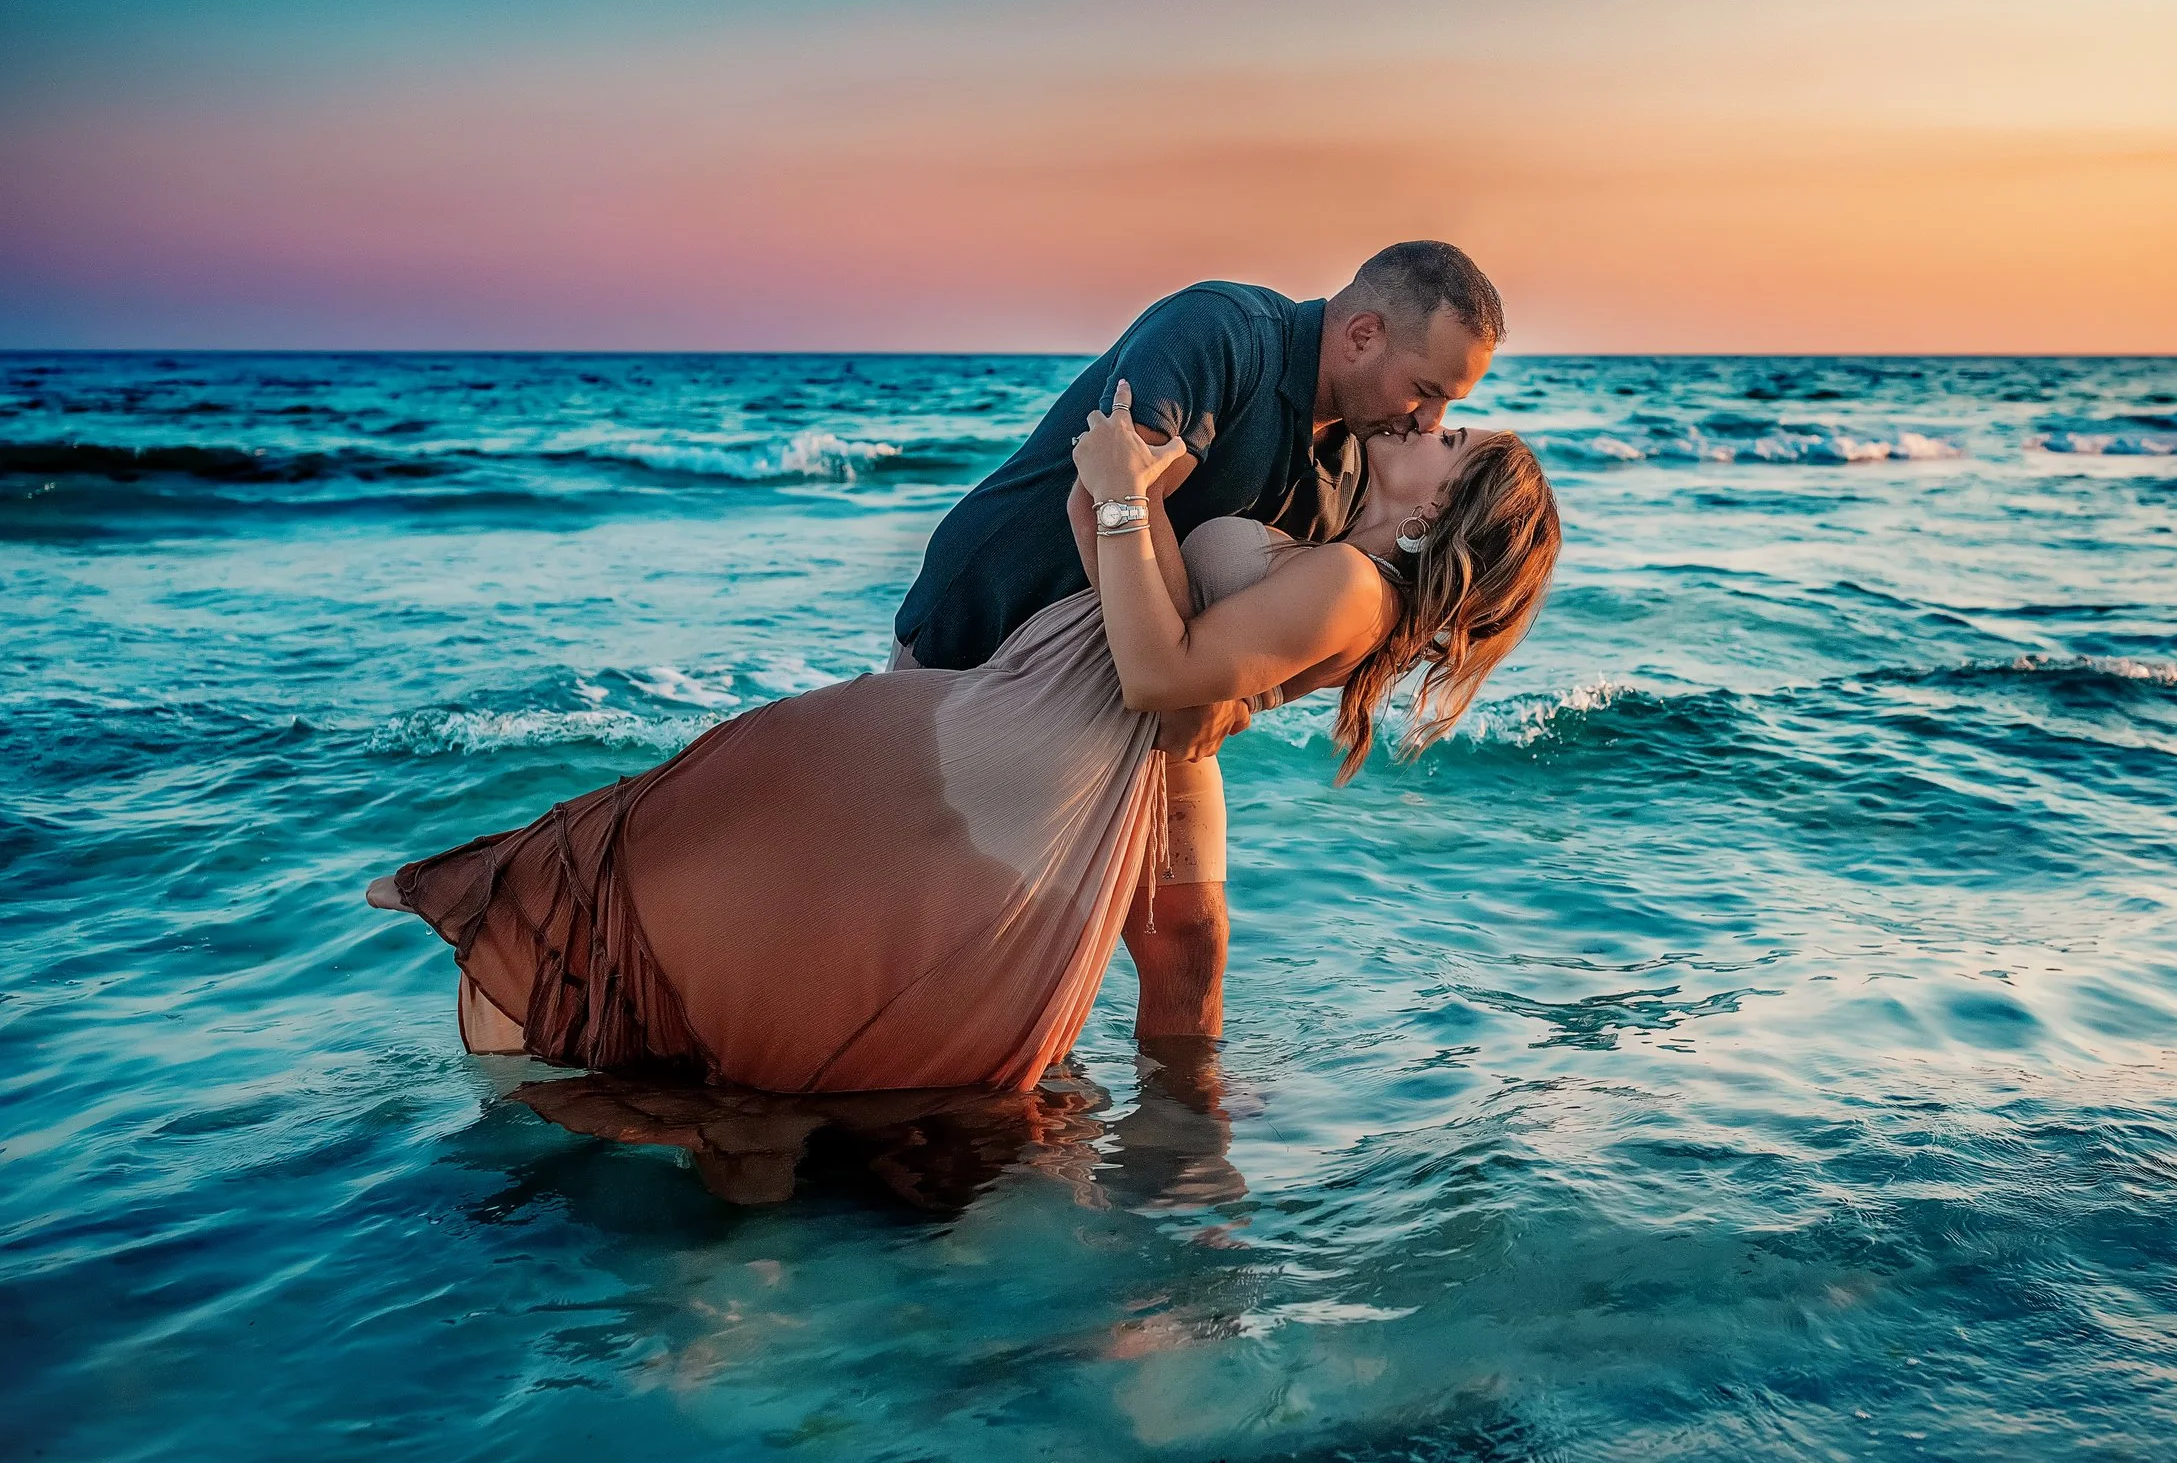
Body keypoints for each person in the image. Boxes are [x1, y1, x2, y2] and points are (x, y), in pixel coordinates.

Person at [366, 386, 1561, 1099]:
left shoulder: (1353, 584)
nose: (1428, 425)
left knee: (711, 825)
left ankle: (575, 975)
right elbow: (1175, 670)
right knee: (744, 833)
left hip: (1026, 735)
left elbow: (1154, 674)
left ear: (1438, 517)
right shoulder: (1335, 554)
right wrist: (1111, 499)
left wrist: (1126, 499)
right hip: (1023, 717)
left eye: (1453, 446)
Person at [892, 241, 1506, 1041]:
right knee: (965, 935)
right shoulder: (1222, 333)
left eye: (1448, 409)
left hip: (1132, 691)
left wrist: (1211, 684)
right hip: (980, 636)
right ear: (1362, 334)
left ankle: (1183, 1134)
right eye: (1426, 391)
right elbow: (1106, 499)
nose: (1431, 421)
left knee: (1191, 935)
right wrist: (1187, 678)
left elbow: (1253, 623)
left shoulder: (1349, 470)